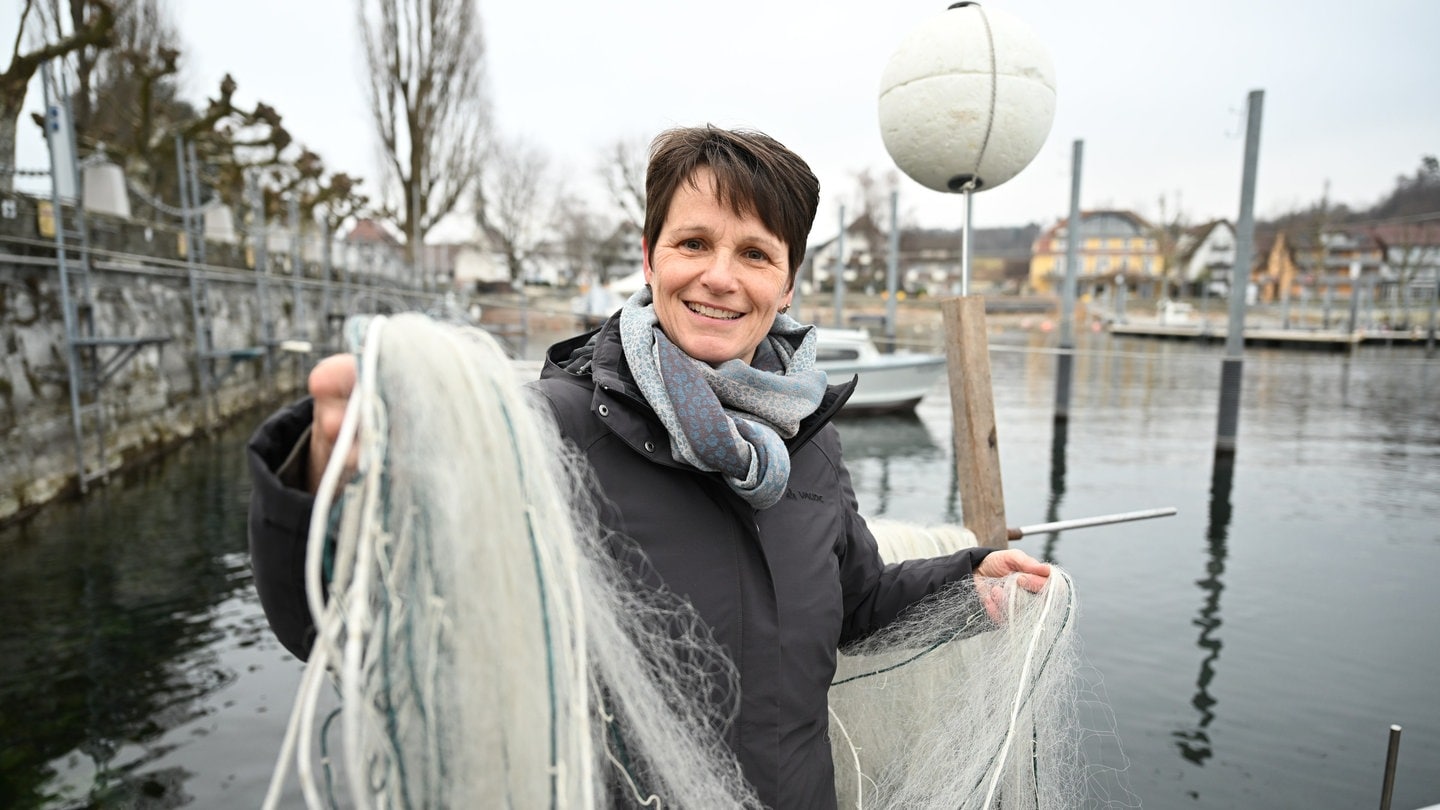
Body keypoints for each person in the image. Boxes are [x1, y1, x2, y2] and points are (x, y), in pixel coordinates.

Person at [247, 125, 1051, 808]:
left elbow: (855, 601)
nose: (720, 277)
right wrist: (327, 487)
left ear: (788, 279)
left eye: (755, 253)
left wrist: (969, 582)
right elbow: (342, 623)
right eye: (693, 243)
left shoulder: (808, 436)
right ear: (649, 255)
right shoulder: (554, 431)